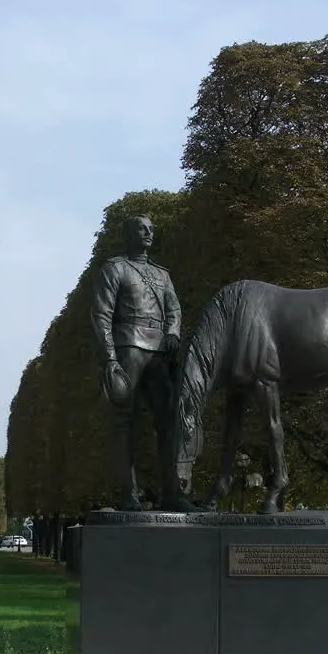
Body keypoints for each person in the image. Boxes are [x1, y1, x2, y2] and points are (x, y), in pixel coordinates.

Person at [90, 214, 193, 512]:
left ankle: (172, 493)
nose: (148, 233)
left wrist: (173, 332)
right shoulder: (115, 268)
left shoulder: (163, 275)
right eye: (141, 229)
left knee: (169, 423)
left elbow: (174, 309)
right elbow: (101, 315)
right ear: (128, 234)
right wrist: (110, 357)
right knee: (124, 424)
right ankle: (127, 494)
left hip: (160, 351)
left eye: (151, 229)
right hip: (129, 346)